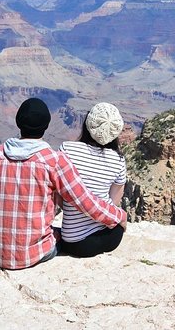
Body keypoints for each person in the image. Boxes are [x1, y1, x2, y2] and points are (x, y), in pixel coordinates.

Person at [0, 97, 127, 270]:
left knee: (59, 233)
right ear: (47, 125)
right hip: (35, 255)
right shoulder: (54, 161)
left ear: (18, 122)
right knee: (57, 236)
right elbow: (83, 200)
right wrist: (119, 216)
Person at [58, 102, 127, 257]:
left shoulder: (66, 149)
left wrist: (75, 209)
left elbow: (58, 194)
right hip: (104, 238)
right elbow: (113, 202)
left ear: (88, 124)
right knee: (118, 229)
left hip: (71, 242)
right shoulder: (118, 160)